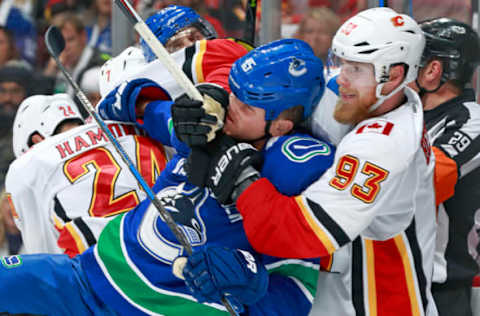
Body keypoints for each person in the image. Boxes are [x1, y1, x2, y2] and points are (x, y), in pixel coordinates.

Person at [0, 39, 329, 316]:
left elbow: (297, 289)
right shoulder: (208, 125)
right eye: (232, 93)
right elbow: (121, 102)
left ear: (281, 125)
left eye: (245, 105)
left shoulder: (295, 167)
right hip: (87, 276)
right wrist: (169, 107)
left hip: (164, 308)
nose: (230, 105)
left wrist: (252, 281)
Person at [185, 7, 438, 315]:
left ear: (394, 75)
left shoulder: (386, 145)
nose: (341, 77)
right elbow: (252, 66)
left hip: (377, 298)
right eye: (341, 62)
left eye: (355, 68)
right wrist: (217, 93)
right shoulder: (365, 95)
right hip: (333, 283)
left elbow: (296, 231)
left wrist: (240, 176)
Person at [5, 93, 169, 256]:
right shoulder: (131, 126)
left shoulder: (28, 164)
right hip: (172, 235)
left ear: (36, 141)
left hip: (113, 263)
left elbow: (42, 252)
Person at [410, 18, 480, 316]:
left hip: (443, 288)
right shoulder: (407, 114)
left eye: (411, 61)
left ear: (433, 69)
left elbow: (426, 183)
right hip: (400, 278)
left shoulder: (470, 120)